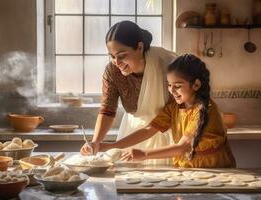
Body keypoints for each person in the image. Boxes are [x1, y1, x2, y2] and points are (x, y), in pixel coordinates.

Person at [98, 54, 236, 168]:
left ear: (196, 84)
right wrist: (111, 146)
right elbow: (148, 130)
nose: (172, 90)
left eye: (178, 86)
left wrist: (144, 154)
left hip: (215, 170)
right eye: (169, 85)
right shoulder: (174, 108)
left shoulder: (204, 110)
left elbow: (182, 147)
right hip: (188, 170)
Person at [80, 21, 177, 165]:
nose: (117, 62)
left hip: (168, 137)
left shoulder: (168, 65)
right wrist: (96, 142)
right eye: (112, 56)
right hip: (132, 134)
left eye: (122, 55)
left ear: (139, 47)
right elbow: (107, 109)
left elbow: (179, 111)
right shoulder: (112, 72)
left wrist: (112, 145)